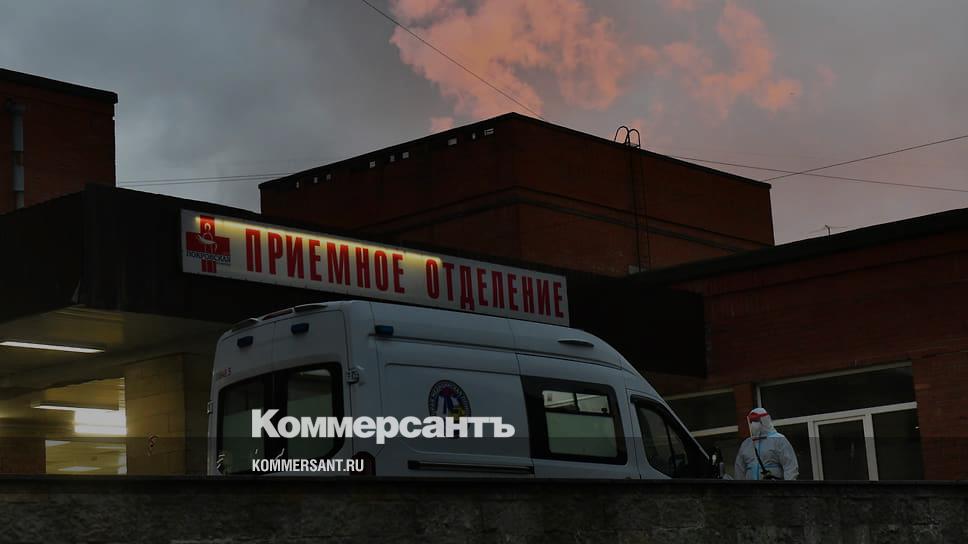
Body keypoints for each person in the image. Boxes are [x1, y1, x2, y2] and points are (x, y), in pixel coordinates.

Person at [734, 407, 799, 480]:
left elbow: (790, 466)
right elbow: (739, 469)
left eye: (756, 420)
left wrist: (788, 485)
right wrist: (740, 486)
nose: (753, 424)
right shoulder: (746, 444)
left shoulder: (779, 440)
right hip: (751, 487)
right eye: (751, 421)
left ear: (764, 420)